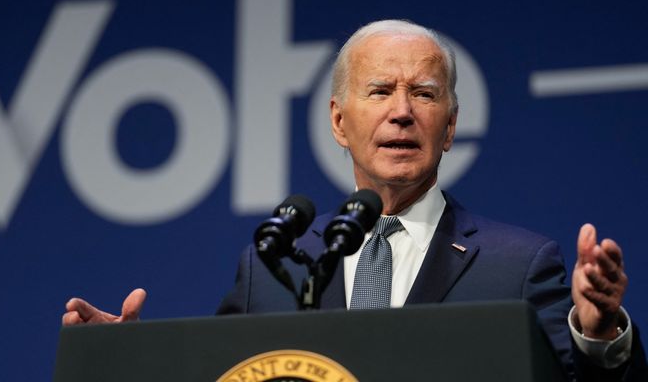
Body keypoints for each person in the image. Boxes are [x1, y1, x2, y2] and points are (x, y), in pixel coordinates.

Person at [63, 20, 646, 380]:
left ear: (449, 127)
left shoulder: (518, 265)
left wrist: (597, 336)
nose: (401, 110)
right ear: (339, 122)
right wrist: (129, 364)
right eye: (380, 91)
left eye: (423, 93)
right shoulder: (267, 269)